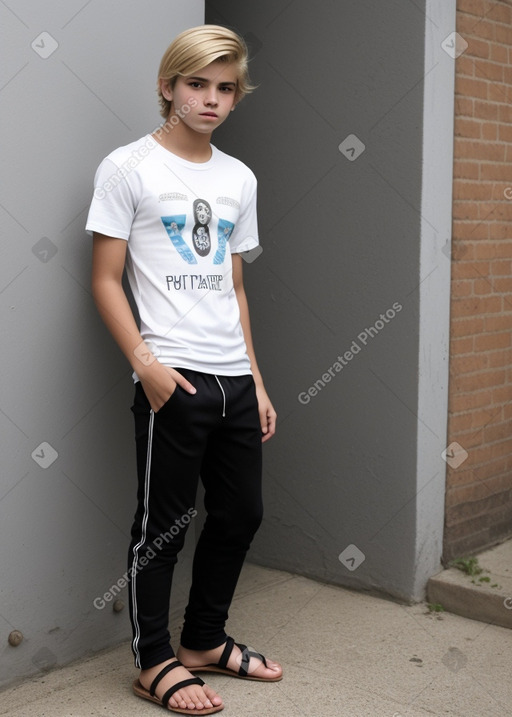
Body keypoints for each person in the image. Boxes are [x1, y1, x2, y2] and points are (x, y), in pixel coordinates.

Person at [86, 24, 282, 716]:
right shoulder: (128, 168)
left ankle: (203, 640)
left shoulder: (239, 177)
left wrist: (255, 380)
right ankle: (152, 660)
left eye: (225, 88)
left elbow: (233, 286)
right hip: (175, 379)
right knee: (162, 525)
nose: (211, 99)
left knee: (241, 512)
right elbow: (106, 279)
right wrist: (148, 366)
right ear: (168, 87)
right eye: (196, 84)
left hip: (232, 379)